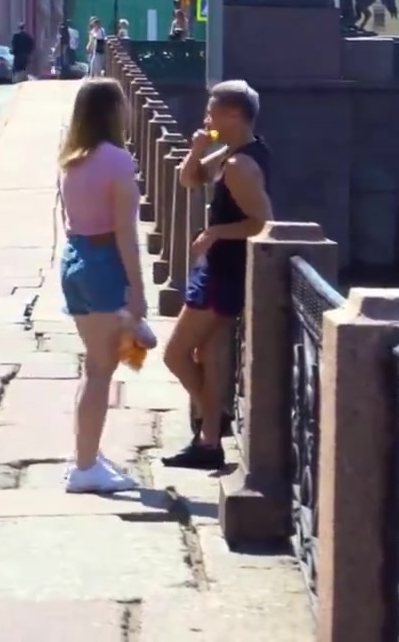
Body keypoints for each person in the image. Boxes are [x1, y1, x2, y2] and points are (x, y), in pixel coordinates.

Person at [162, 81, 273, 470]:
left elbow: (264, 223)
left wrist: (215, 233)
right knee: (208, 354)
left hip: (224, 273)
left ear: (233, 115)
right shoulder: (232, 154)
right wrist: (196, 149)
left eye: (211, 113)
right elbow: (189, 179)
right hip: (218, 270)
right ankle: (209, 441)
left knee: (175, 354)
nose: (206, 119)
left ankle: (215, 415)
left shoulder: (242, 166)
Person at [57, 78, 147, 493]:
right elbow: (125, 232)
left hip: (75, 261)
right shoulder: (117, 161)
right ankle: (86, 468)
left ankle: (85, 454)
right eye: (122, 104)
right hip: (104, 262)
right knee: (100, 371)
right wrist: (137, 289)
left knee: (94, 366)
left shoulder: (71, 159)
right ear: (112, 111)